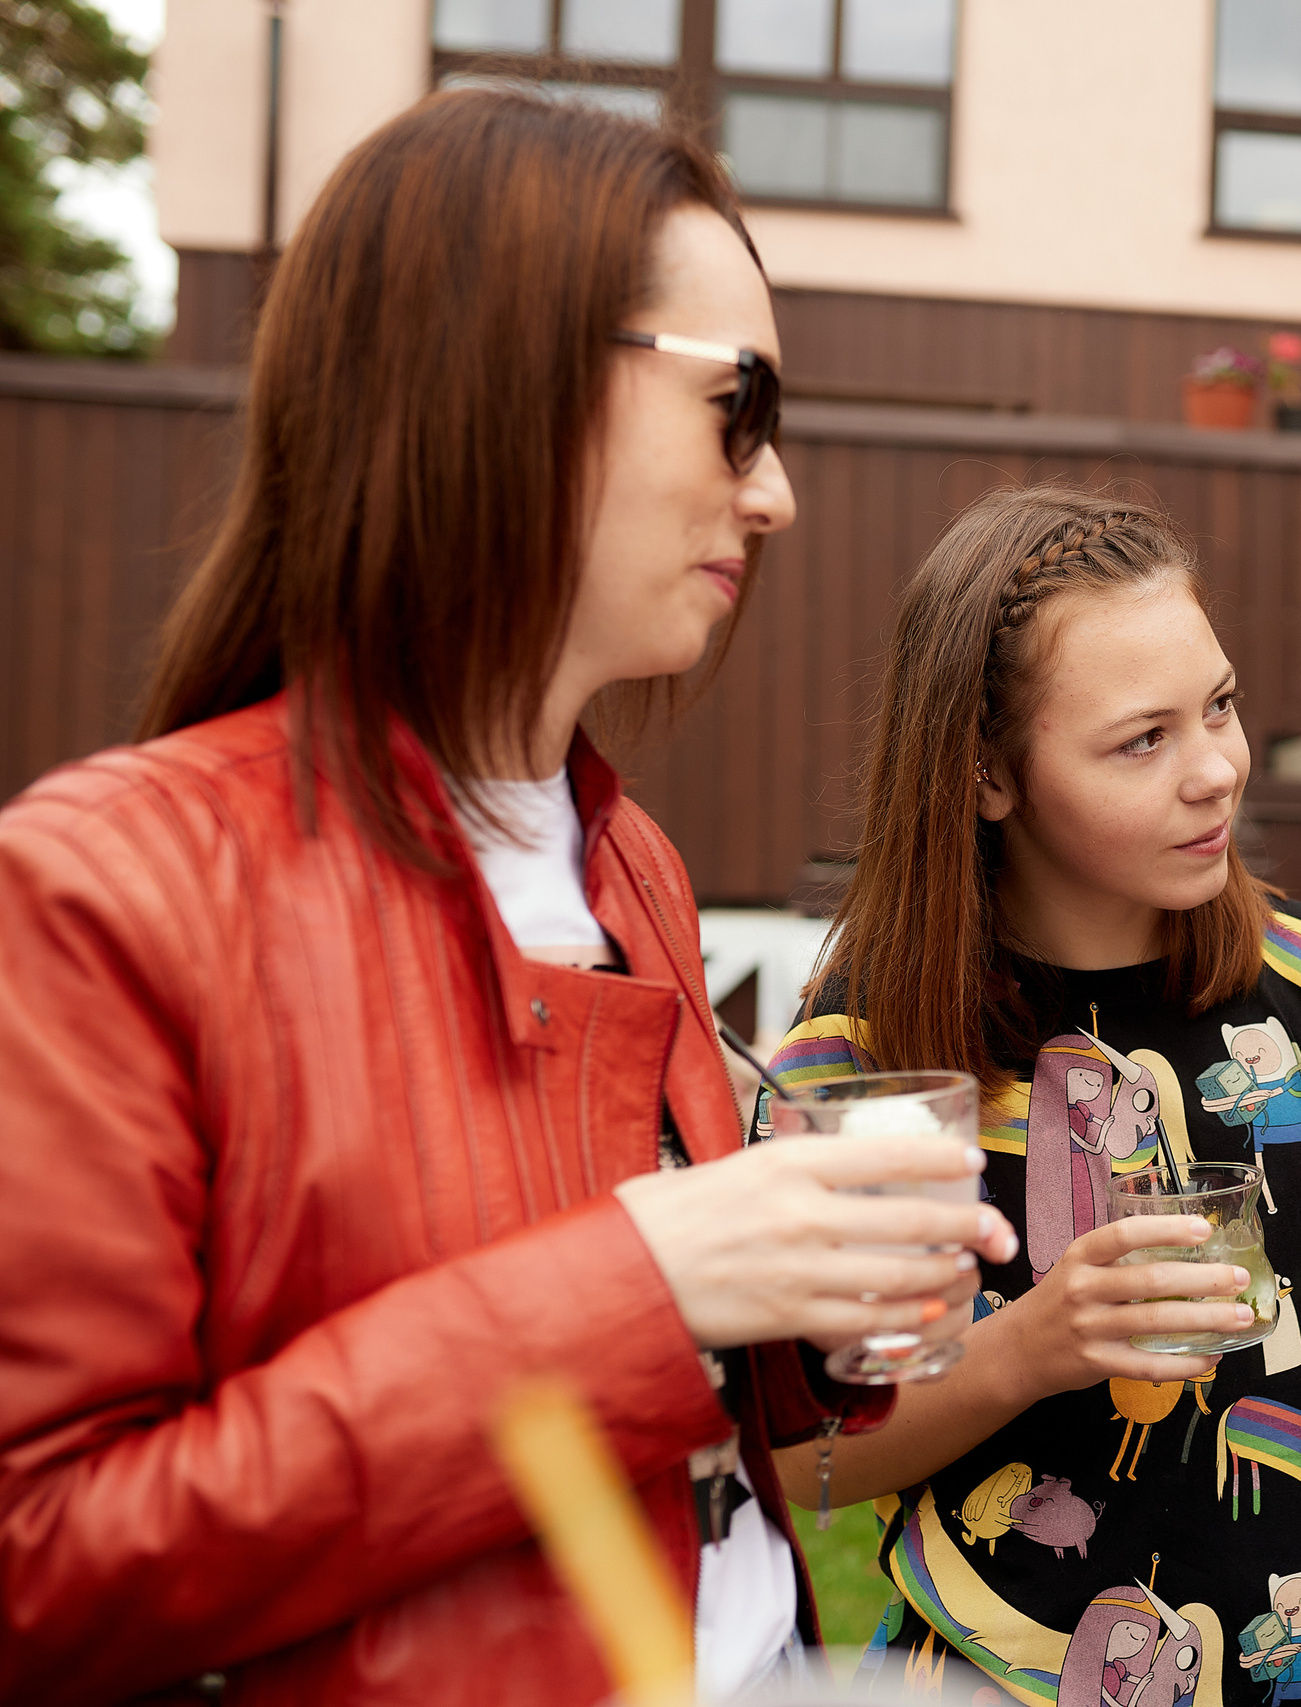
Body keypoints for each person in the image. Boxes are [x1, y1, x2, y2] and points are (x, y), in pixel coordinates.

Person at [0, 91, 1008, 1705]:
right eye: (739, 406)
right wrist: (646, 1278)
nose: (776, 494)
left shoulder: (631, 861)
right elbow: (43, 1562)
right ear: (509, 382)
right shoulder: (107, 886)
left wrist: (815, 1320)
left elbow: (667, 1391)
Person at [765, 485, 1301, 1707]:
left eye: (1219, 705)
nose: (1215, 770)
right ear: (987, 775)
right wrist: (1027, 1351)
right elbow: (807, 1458)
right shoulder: (868, 1055)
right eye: (1142, 741)